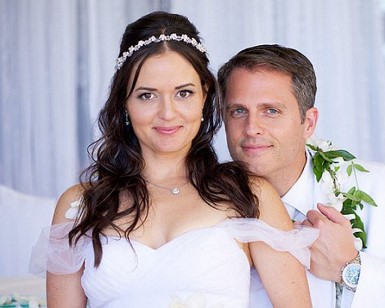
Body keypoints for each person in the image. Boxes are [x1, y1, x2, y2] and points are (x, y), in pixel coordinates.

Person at [29, 14, 319, 307]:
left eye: (183, 93)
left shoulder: (251, 195)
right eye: (146, 95)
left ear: (205, 97)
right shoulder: (79, 206)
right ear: (124, 104)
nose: (167, 113)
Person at [218, 44, 385, 307]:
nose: (252, 128)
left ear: (309, 123)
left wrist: (350, 268)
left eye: (271, 111)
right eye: (238, 111)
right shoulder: (203, 207)